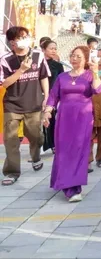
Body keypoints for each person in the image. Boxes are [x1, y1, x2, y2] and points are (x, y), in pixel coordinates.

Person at [42, 46, 101, 201]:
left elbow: (98, 90)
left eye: (78, 56)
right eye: (72, 55)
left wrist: (95, 72)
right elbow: (53, 97)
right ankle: (65, 182)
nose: (74, 59)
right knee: (63, 149)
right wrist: (47, 112)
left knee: (79, 150)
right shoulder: (62, 77)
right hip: (64, 118)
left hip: (83, 118)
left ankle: (74, 188)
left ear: (85, 59)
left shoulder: (90, 76)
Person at [1, 27, 50, 185]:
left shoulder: (37, 55)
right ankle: (11, 172)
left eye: (26, 36)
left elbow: (43, 76)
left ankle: (35, 155)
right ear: (12, 42)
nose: (25, 39)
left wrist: (46, 96)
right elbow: (5, 83)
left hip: (33, 103)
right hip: (12, 105)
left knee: (35, 136)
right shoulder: (5, 60)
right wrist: (21, 70)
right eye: (20, 37)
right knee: (11, 139)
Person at [40, 39, 64, 154]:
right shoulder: (37, 63)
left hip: (52, 96)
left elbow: (61, 82)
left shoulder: (58, 65)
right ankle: (39, 145)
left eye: (55, 48)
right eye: (51, 48)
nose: (54, 51)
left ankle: (53, 144)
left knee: (52, 120)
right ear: (43, 49)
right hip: (38, 95)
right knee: (37, 122)